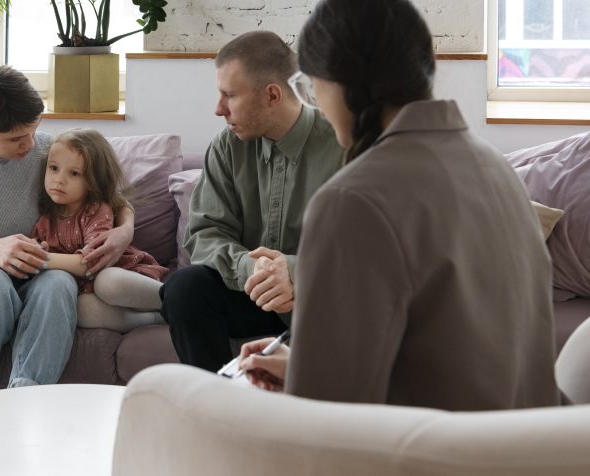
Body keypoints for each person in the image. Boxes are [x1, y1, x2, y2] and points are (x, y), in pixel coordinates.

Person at [239, 0, 561, 410]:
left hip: (431, 454)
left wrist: (303, 380)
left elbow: (325, 412)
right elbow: (454, 352)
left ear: (338, 80)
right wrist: (302, 365)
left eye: (309, 86)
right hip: (525, 445)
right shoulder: (495, 168)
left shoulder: (352, 199)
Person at [0, 65, 135, 398]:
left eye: (33, 130)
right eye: (16, 139)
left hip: (38, 279)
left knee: (60, 282)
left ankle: (27, 400)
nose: (30, 144)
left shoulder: (50, 152)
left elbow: (113, 198)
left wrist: (124, 232)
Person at [159, 30, 344, 372]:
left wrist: (292, 272)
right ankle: (216, 406)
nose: (218, 109)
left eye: (229, 95)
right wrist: (255, 269)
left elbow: (364, 251)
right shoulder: (227, 147)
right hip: (249, 292)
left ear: (272, 95)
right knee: (184, 288)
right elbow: (205, 233)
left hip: (320, 298)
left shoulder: (342, 144)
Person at [31, 128, 170, 325]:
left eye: (74, 173)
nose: (59, 179)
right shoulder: (46, 218)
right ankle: (156, 318)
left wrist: (39, 259)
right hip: (88, 290)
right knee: (82, 309)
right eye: (53, 168)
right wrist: (38, 250)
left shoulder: (95, 210)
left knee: (108, 282)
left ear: (93, 180)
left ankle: (177, 300)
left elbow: (90, 264)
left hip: (122, 277)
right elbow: (40, 250)